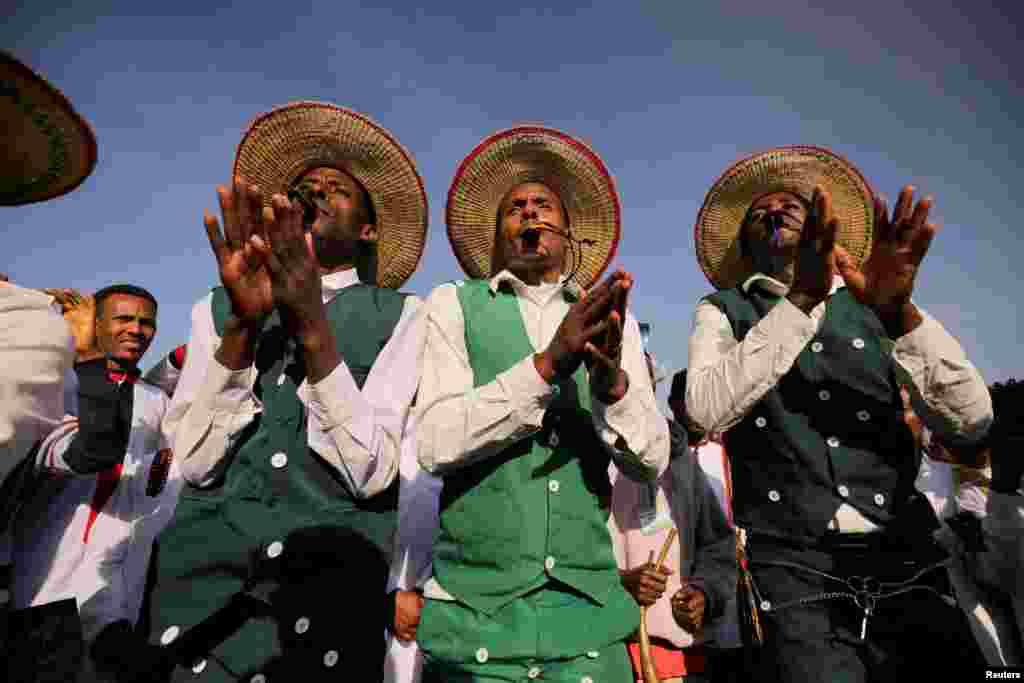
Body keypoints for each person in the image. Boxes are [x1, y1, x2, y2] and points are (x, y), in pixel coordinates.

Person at [686, 146, 993, 682]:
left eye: (789, 204)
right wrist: (799, 301)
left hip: (907, 555)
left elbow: (972, 419)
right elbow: (705, 411)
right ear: (744, 244)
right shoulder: (723, 310)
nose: (774, 212)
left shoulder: (875, 301)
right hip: (792, 567)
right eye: (758, 212)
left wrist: (900, 314)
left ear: (820, 227)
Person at [146, 101, 429, 681]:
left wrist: (311, 324)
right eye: (305, 186)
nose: (316, 193)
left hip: (324, 613)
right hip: (203, 611)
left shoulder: (404, 315)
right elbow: (196, 466)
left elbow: (370, 474)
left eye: (337, 190)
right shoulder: (216, 307)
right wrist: (243, 328)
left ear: (368, 229)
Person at [414, 126, 670, 682]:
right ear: (500, 235)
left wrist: (613, 393)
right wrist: (548, 364)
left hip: (590, 624)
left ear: (569, 231)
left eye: (543, 205)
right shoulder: (452, 305)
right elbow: (433, 443)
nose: (529, 213)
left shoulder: (610, 316)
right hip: (475, 622)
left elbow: (650, 460)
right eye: (515, 208)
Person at [9, 284, 179, 683]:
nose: (136, 330)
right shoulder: (56, 389)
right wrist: (87, 358)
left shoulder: (157, 400)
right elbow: (90, 453)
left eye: (146, 323)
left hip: (121, 594)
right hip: (48, 592)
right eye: (123, 319)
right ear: (94, 323)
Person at [1, 49, 98, 681]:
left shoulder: (24, 324)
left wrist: (89, 355)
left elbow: (84, 450)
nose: (135, 333)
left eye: (143, 324)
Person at [608, 371, 735, 682]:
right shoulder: (580, 457)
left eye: (640, 383)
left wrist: (703, 594)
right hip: (602, 654)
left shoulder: (678, 458)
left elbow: (718, 547)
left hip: (676, 660)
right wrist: (619, 582)